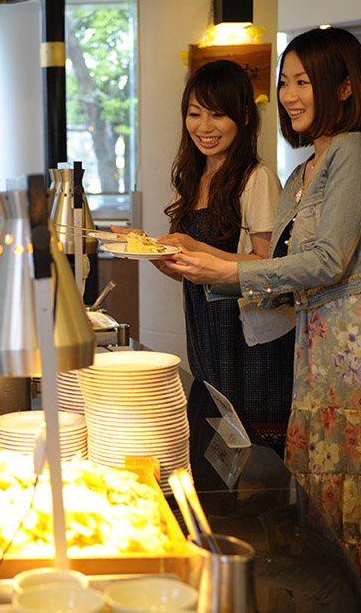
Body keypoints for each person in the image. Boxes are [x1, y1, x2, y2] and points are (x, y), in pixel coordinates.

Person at [166, 28, 361, 611]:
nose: (290, 94)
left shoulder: (354, 149)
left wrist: (222, 273)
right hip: (319, 348)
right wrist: (200, 261)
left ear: (346, 86)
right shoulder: (303, 172)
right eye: (284, 81)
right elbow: (279, 269)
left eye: (304, 81)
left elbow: (329, 261)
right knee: (334, 509)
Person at [117, 60, 296, 440]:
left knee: (254, 444)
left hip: (248, 333)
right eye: (195, 113)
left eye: (218, 115)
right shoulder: (193, 176)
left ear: (244, 117)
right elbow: (189, 266)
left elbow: (270, 266)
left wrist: (196, 248)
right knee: (217, 434)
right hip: (205, 324)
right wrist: (151, 252)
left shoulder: (256, 177)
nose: (204, 127)